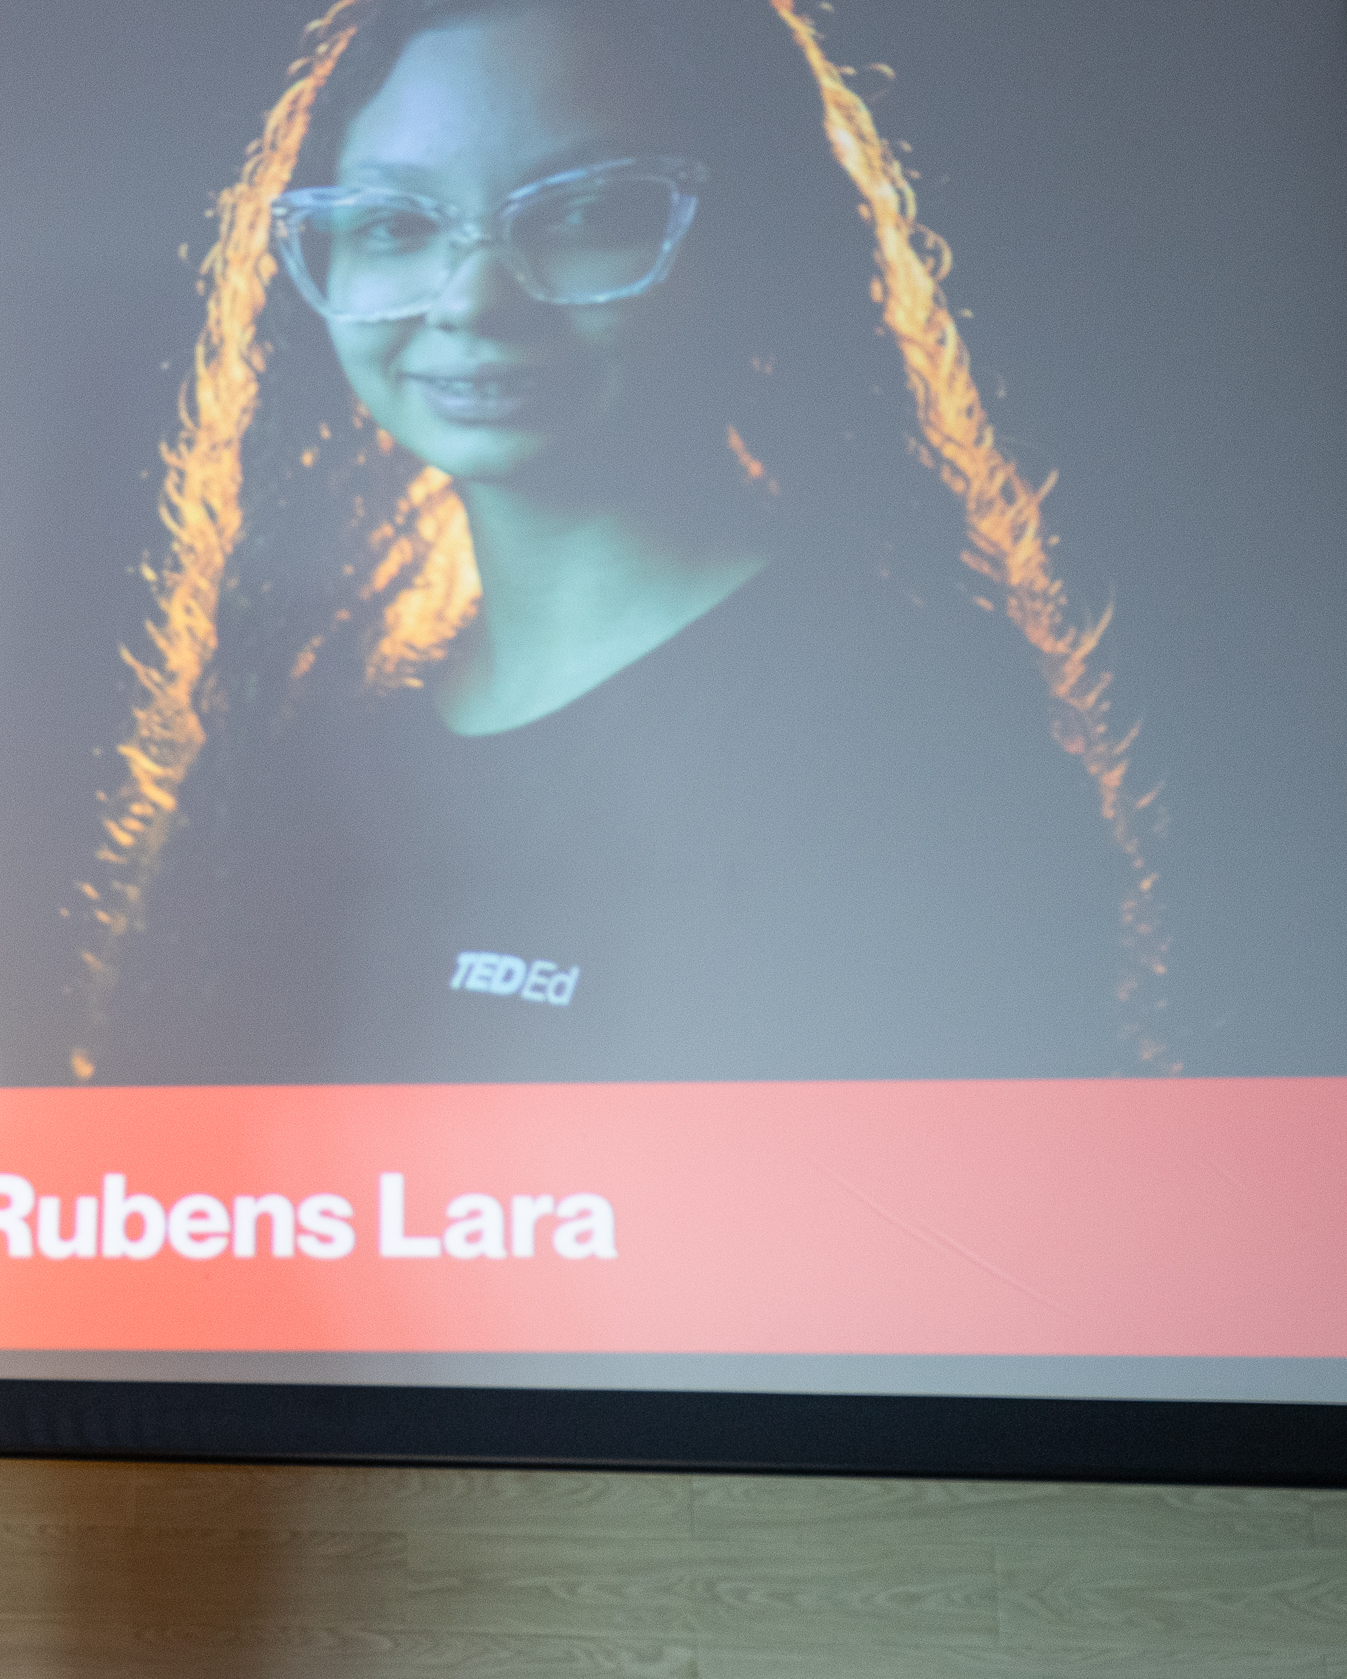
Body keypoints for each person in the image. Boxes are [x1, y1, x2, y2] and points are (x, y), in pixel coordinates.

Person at [79, 0, 1162, 1085]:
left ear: (740, 238)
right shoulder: (322, 742)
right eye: (397, 226)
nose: (475, 299)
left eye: (583, 215)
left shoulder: (903, 737)